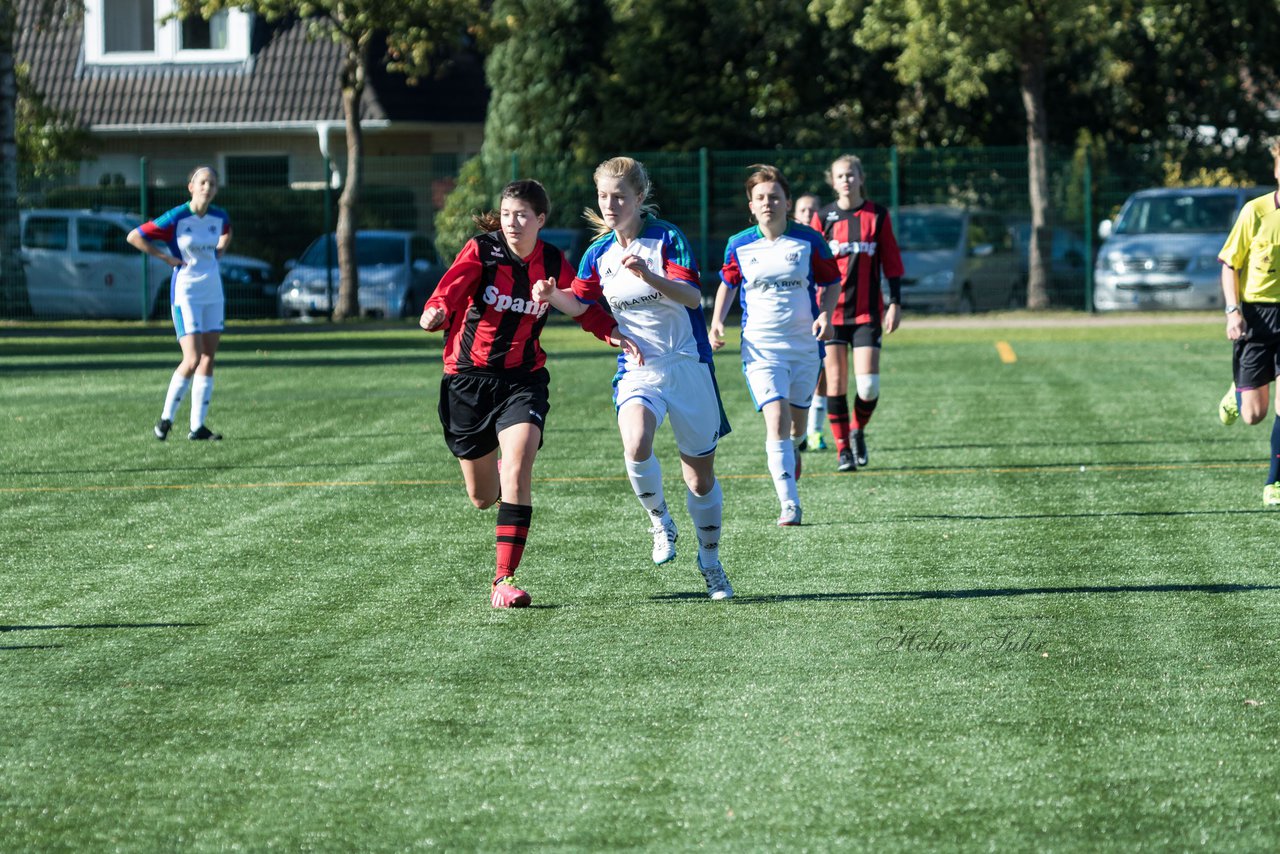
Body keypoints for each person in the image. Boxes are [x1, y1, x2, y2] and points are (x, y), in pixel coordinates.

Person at [420, 179, 626, 608]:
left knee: (519, 466)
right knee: (481, 497)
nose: (513, 222)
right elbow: (450, 289)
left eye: (523, 216)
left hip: (523, 380)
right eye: (507, 213)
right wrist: (436, 311)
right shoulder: (483, 250)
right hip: (468, 379)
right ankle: (495, 470)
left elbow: (579, 302)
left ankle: (503, 579)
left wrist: (610, 332)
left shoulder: (552, 260)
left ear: (541, 220)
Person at [536, 156, 735, 600]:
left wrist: (650, 275)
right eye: (604, 196)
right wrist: (553, 296)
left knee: (700, 479)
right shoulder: (597, 254)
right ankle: (660, 521)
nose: (610, 204)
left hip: (688, 365)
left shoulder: (667, 238)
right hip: (638, 368)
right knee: (636, 441)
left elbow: (691, 296)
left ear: (639, 198)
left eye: (619, 196)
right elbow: (582, 303)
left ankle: (711, 562)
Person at [709, 165, 839, 526]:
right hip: (761, 348)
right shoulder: (739, 244)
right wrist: (717, 320)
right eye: (761, 198)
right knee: (777, 420)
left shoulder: (809, 240)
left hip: (804, 346)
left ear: (787, 202)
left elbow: (832, 282)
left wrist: (826, 315)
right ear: (751, 205)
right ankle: (790, 503)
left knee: (797, 427)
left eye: (775, 197)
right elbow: (728, 283)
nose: (768, 203)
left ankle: (795, 449)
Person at [810, 154, 905, 472]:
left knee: (868, 387)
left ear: (861, 178)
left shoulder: (877, 214)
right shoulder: (823, 218)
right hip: (831, 315)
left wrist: (895, 302)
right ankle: (842, 450)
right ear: (832, 181)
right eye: (840, 176)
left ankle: (857, 430)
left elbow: (891, 260)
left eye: (851, 174)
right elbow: (809, 264)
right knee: (835, 383)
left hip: (867, 313)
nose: (846, 180)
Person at [127, 165, 230, 441]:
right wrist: (166, 258)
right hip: (186, 292)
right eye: (203, 182)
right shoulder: (177, 217)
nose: (208, 187)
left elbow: (226, 231)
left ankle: (197, 427)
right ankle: (165, 420)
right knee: (192, 357)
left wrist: (221, 248)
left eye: (212, 183)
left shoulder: (219, 216)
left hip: (213, 291)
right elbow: (135, 236)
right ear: (191, 187)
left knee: (209, 357)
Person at [1217, 138, 1280, 506]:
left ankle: (1274, 483)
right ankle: (1237, 393)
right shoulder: (1255, 213)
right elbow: (1230, 264)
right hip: (1256, 316)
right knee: (1253, 415)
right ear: (1276, 171)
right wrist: (1232, 310)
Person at [793, 192, 829, 451]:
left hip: (822, 316)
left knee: (822, 372)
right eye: (803, 209)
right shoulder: (786, 242)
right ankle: (797, 430)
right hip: (795, 320)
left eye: (813, 209)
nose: (808, 214)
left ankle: (815, 431)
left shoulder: (822, 242)